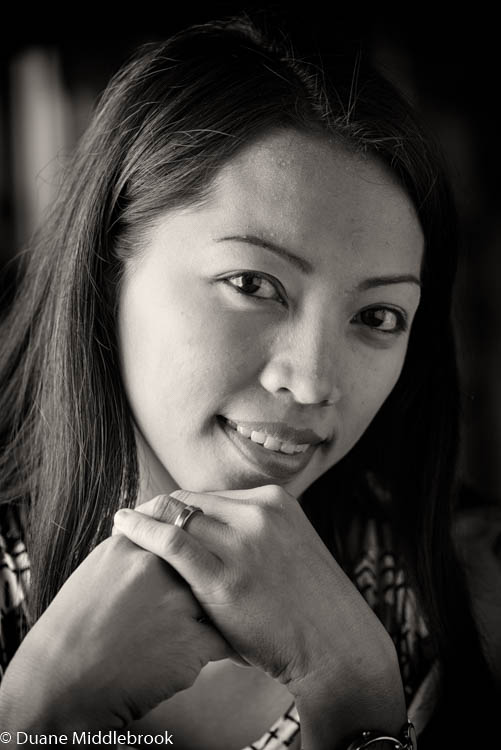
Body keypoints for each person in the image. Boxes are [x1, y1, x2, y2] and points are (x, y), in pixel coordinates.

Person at [0, 16, 498, 750]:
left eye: (377, 316)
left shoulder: (473, 598)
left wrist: (355, 693)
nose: (312, 381)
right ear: (108, 270)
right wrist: (38, 720)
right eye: (252, 283)